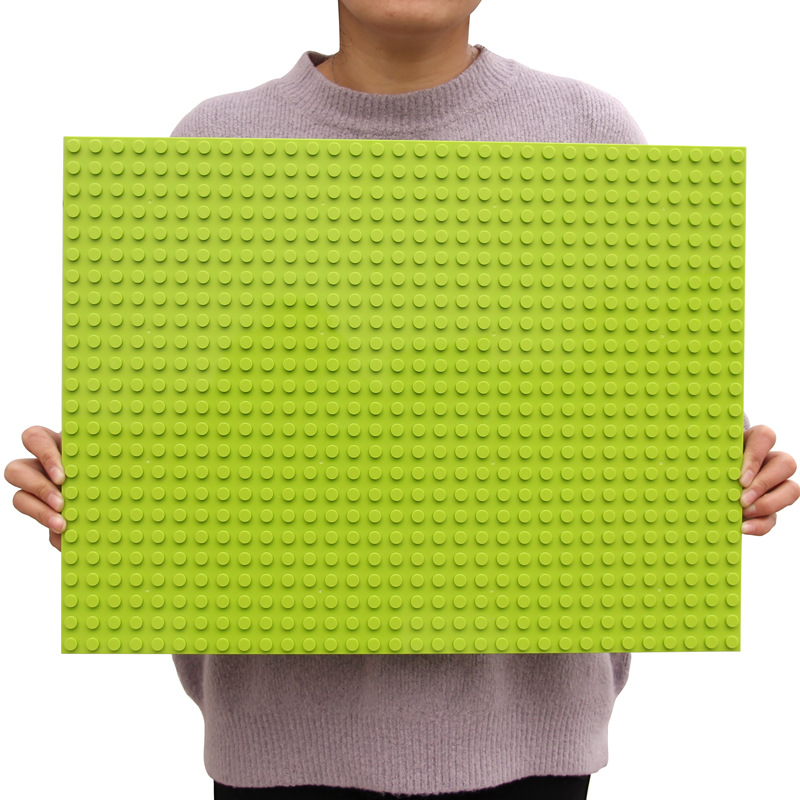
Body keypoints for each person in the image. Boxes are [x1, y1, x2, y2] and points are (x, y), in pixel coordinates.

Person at [5, 1, 800, 798]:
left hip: (529, 734)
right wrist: (104, 496)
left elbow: (637, 386)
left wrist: (724, 468)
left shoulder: (589, 130)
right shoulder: (213, 141)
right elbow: (182, 422)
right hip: (276, 735)